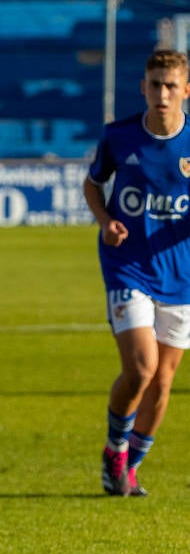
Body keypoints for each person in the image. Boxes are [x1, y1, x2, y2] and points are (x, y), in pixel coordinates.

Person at [85, 48, 190, 497]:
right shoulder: (120, 136)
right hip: (127, 266)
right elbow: (93, 183)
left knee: (163, 382)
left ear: (186, 90)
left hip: (182, 274)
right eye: (155, 85)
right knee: (142, 368)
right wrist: (105, 220)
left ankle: (128, 466)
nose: (162, 94)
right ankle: (115, 446)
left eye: (171, 86)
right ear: (142, 87)